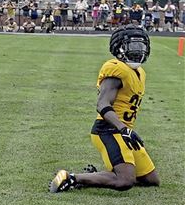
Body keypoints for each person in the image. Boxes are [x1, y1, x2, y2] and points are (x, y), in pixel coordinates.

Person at [50, 25, 159, 193]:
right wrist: (123, 128)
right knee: (125, 180)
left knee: (151, 179)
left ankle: (98, 177)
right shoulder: (116, 69)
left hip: (125, 132)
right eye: (133, 46)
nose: (137, 51)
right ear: (119, 48)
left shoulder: (139, 72)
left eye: (141, 46)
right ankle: (70, 178)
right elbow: (102, 104)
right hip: (108, 130)